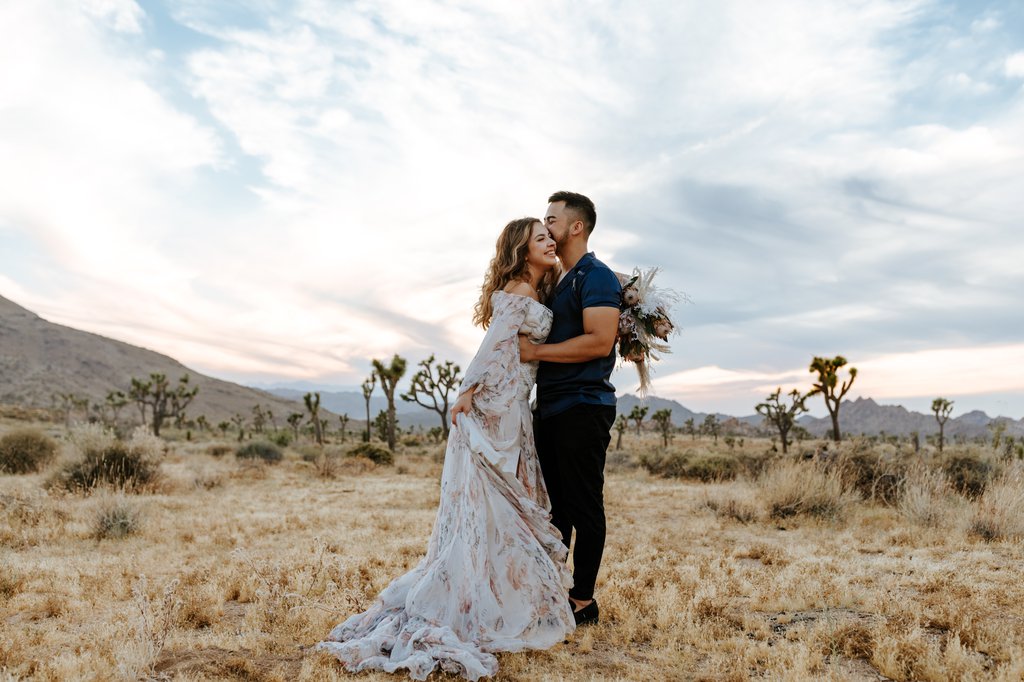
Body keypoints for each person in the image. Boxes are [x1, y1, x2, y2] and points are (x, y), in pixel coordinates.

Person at [317, 217, 574, 681]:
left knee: (502, 502)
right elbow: (494, 345)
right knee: (499, 497)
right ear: (521, 249)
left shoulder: (538, 286)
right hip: (502, 402)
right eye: (540, 238)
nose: (550, 243)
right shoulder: (520, 288)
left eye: (550, 236)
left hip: (515, 397)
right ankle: (487, 595)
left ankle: (501, 587)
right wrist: (468, 391)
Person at [519, 191, 621, 627]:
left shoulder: (595, 276)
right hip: (552, 408)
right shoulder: (559, 280)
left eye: (552, 220)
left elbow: (600, 341)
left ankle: (583, 601)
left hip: (584, 406)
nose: (546, 227)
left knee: (584, 505)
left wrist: (536, 353)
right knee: (555, 508)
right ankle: (554, 591)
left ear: (575, 227)